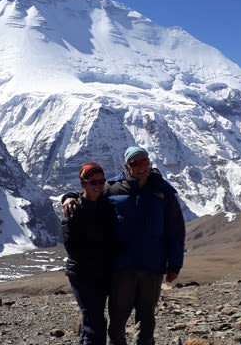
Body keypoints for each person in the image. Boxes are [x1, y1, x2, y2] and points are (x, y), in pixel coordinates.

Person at [64, 146, 186, 345]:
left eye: (144, 161)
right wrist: (67, 196)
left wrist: (175, 264)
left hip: (153, 266)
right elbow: (88, 193)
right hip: (121, 267)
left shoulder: (163, 192)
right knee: (118, 320)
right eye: (135, 163)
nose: (141, 166)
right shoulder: (112, 189)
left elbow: (176, 231)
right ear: (127, 166)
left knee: (147, 319)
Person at [62, 162, 118, 345]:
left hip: (103, 272)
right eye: (93, 182)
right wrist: (68, 198)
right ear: (83, 183)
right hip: (83, 274)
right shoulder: (74, 209)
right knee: (95, 321)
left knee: (93, 320)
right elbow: (73, 247)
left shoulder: (106, 204)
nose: (98, 185)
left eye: (102, 181)